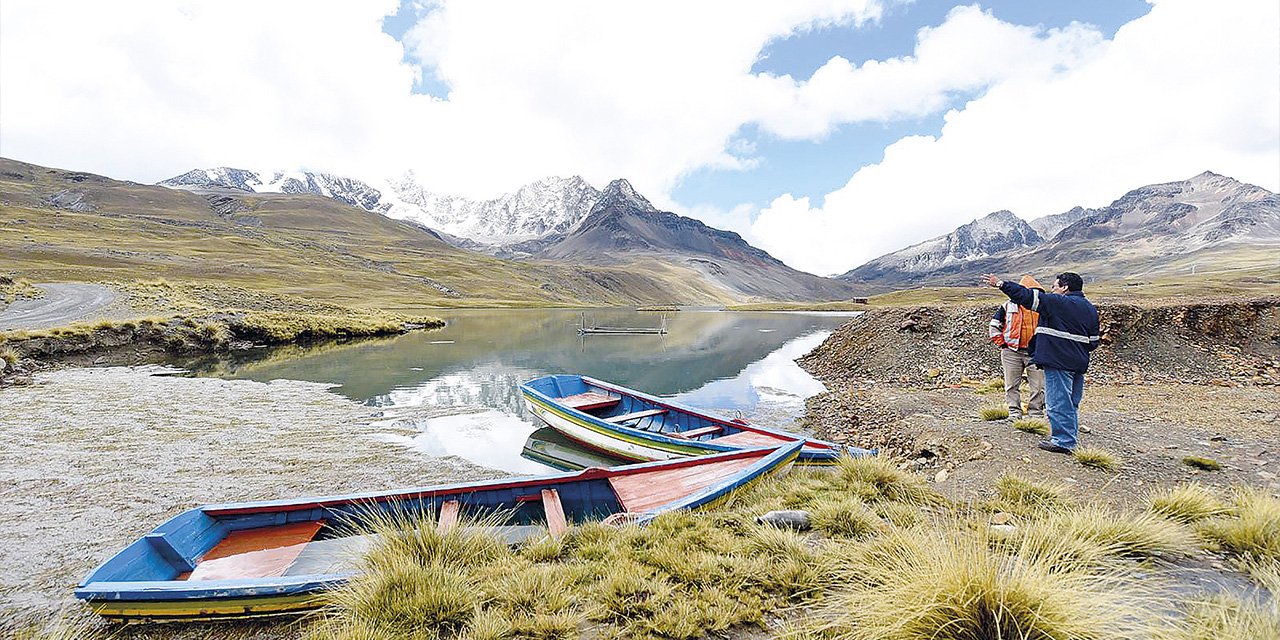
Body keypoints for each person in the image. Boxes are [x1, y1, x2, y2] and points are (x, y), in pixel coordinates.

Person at [981, 271, 1100, 454]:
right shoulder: (1090, 309)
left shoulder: (1057, 303)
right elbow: (1093, 341)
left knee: (1058, 401)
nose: (1051, 290)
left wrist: (1000, 284)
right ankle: (1070, 436)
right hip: (1078, 362)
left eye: (1054, 286)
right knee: (1071, 401)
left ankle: (1063, 441)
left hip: (1059, 361)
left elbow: (1026, 296)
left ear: (1064, 287)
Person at [988, 275, 1046, 419]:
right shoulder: (1008, 306)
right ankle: (1014, 413)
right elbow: (995, 325)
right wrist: (1002, 344)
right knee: (1011, 385)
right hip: (1012, 352)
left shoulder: (1044, 306)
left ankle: (1035, 414)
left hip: (1037, 353)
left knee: (1039, 387)